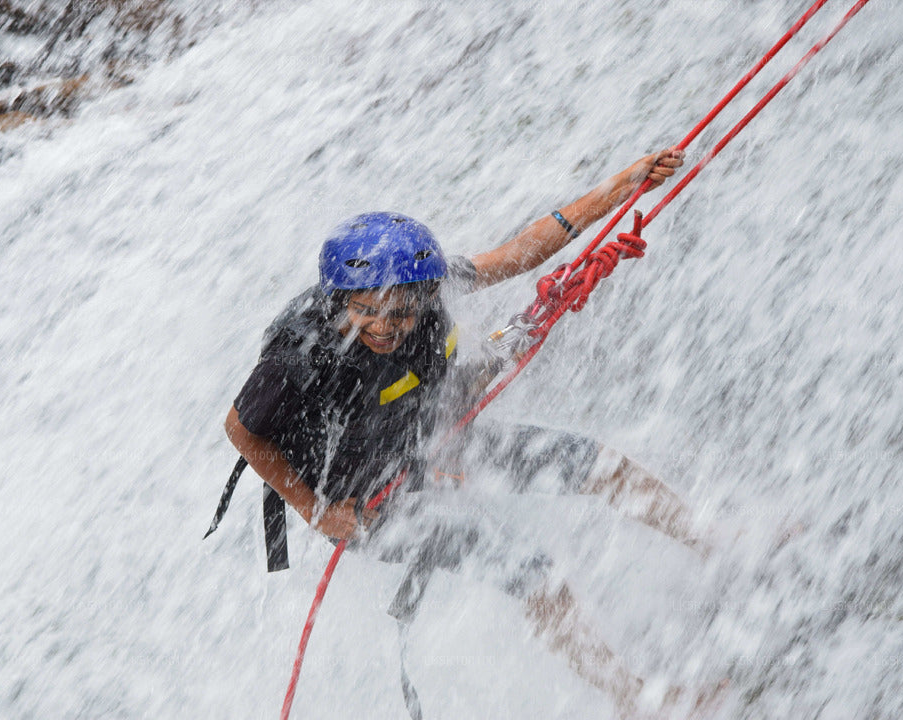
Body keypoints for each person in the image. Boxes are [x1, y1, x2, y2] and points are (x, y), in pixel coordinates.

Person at [222, 148, 723, 716]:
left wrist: (621, 187)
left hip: (425, 439)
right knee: (533, 574)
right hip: (360, 499)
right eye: (365, 310)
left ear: (425, 295)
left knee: (597, 464)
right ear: (339, 299)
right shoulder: (301, 350)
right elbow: (241, 431)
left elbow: (519, 252)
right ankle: (640, 702)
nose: (384, 326)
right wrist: (317, 512)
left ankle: (719, 544)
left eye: (401, 313)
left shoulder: (428, 284)